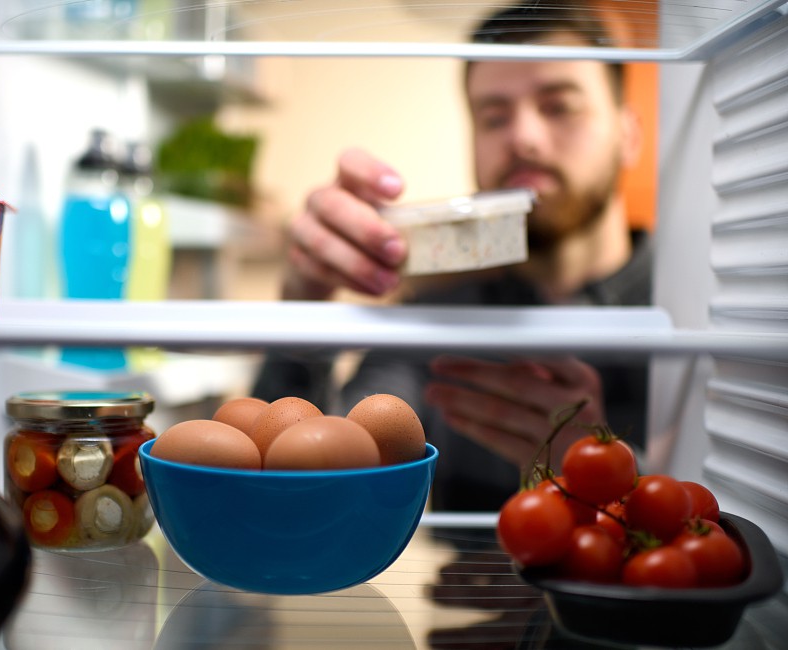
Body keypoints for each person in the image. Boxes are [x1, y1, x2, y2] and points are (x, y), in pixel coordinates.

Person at [252, 2, 653, 511]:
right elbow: (316, 475)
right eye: (493, 116)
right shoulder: (438, 313)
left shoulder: (694, 299)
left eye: (559, 106)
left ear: (629, 135)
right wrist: (304, 313)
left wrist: (609, 469)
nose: (523, 138)